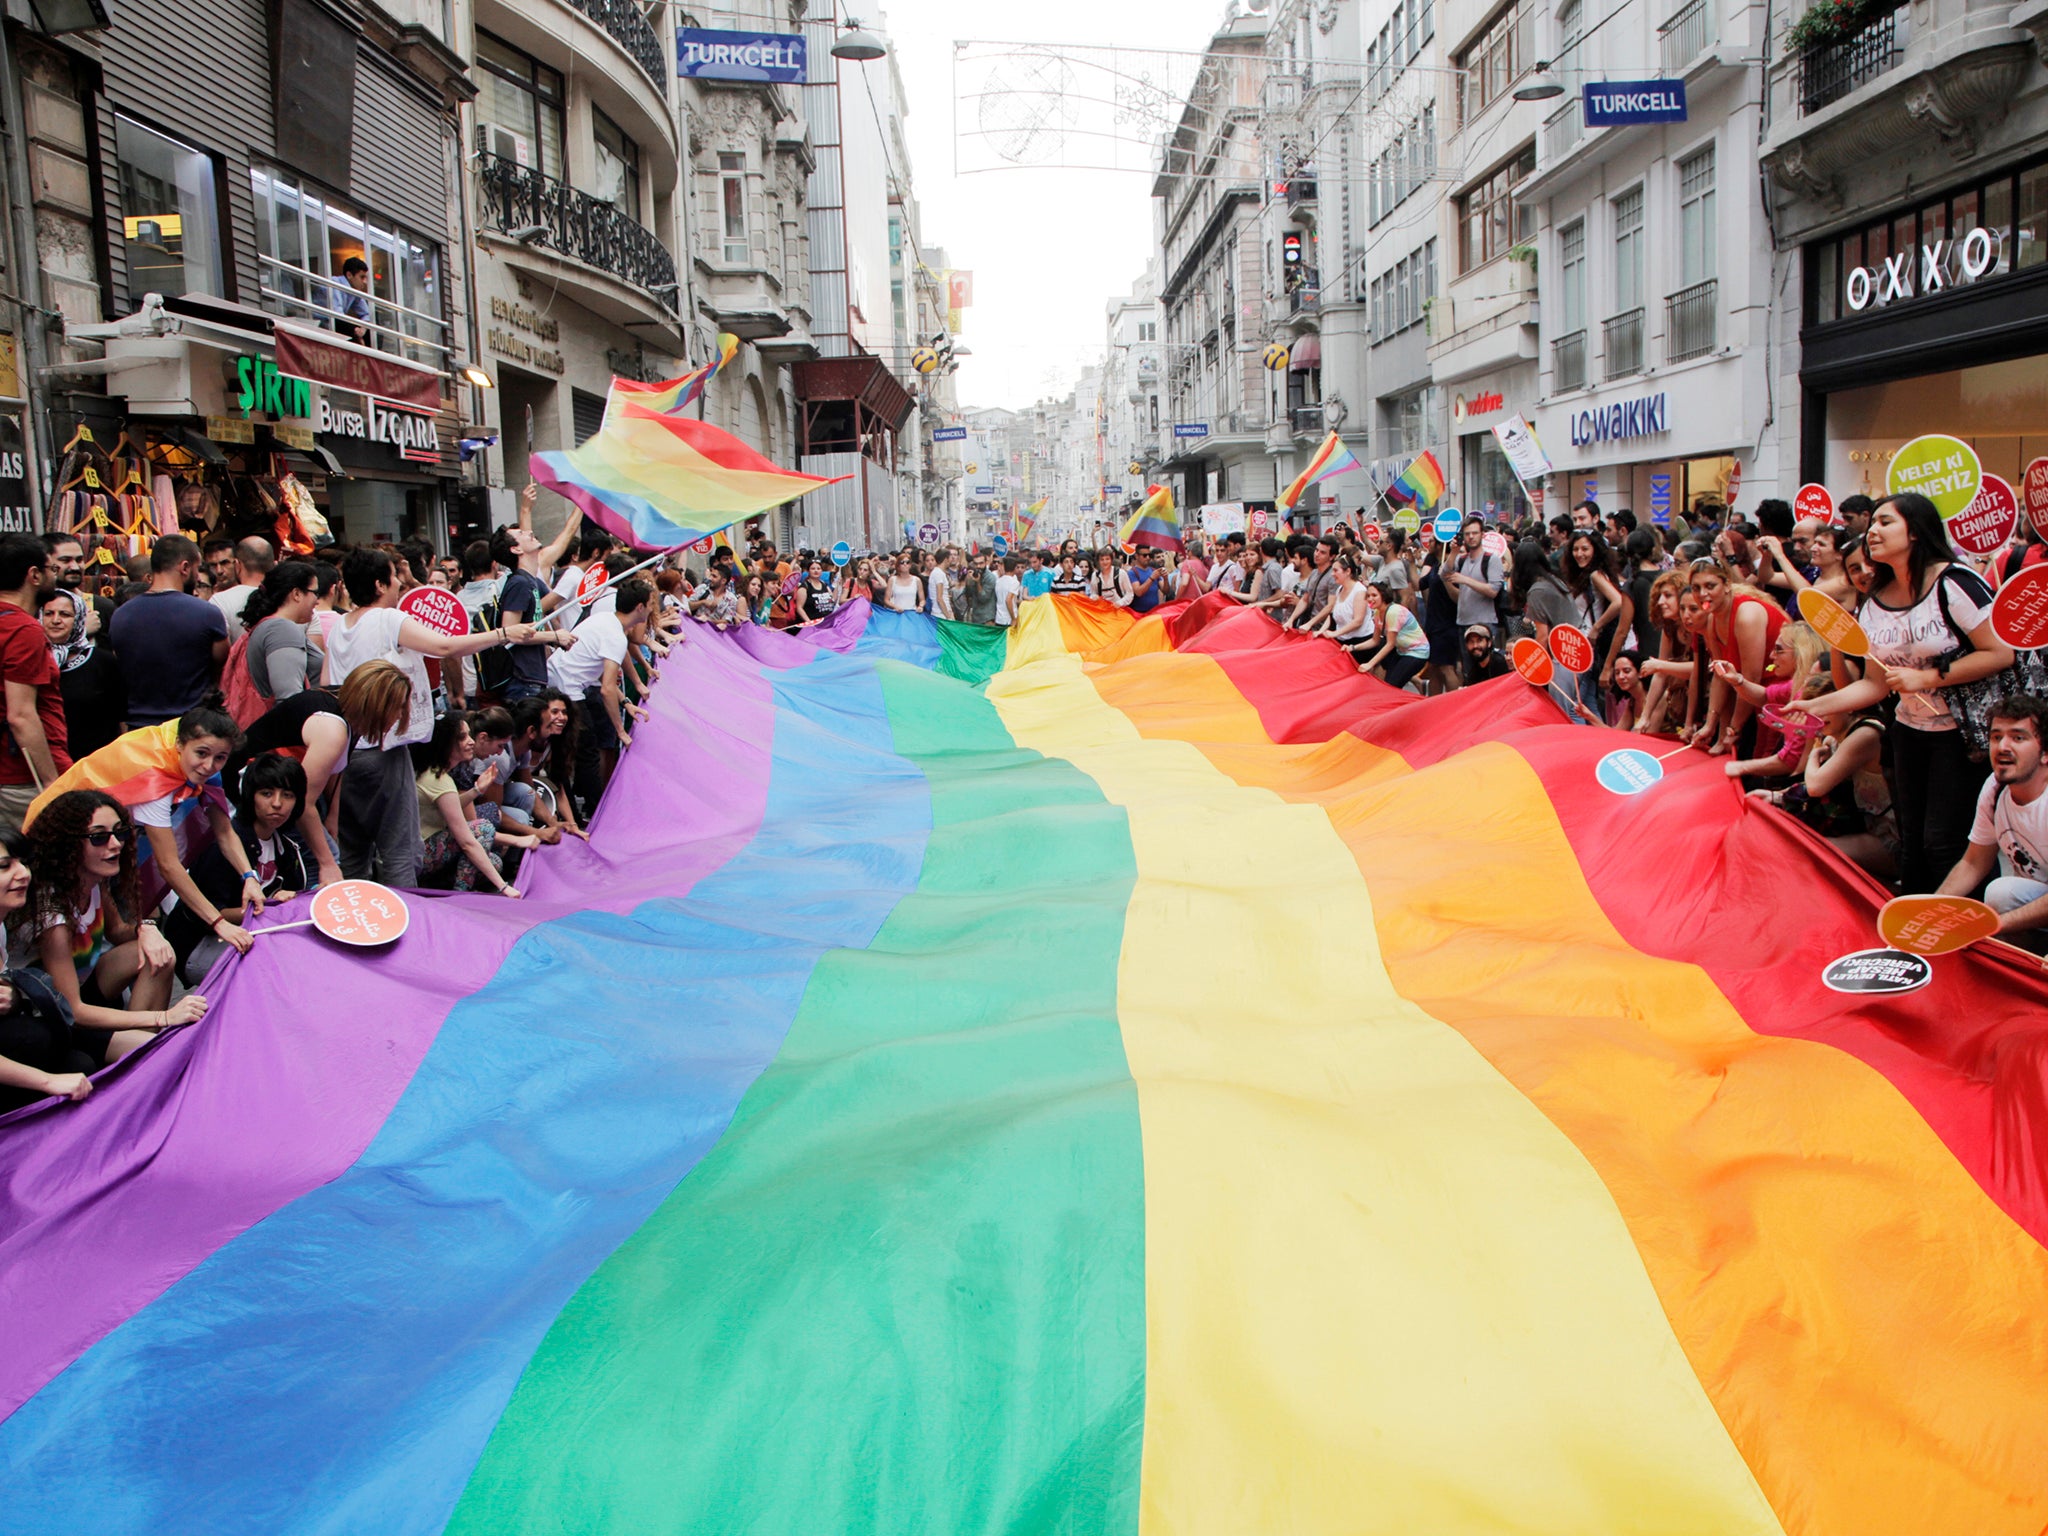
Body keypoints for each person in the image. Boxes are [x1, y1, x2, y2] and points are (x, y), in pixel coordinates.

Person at [1783, 493, 2015, 891]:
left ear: (1915, 531)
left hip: (1961, 738)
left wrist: (1926, 679)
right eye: (1872, 522)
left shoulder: (1955, 583)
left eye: (1885, 522)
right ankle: (1912, 922)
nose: (1873, 531)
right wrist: (1813, 704)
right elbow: (1874, 684)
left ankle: (1956, 928)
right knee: (1913, 841)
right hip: (1908, 730)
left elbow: (2001, 652)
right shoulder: (1873, 603)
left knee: (1944, 841)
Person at [324, 548, 552, 889]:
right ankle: (412, 925)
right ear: (378, 584)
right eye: (395, 577)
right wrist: (505, 634)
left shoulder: (339, 626)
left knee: (355, 849)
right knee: (400, 848)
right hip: (385, 749)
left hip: (346, 751)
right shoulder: (387, 619)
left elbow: (328, 686)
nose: (400, 584)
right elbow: (445, 647)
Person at [18, 790, 206, 1060]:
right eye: (99, 837)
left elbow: (118, 932)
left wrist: (148, 929)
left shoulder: (94, 881)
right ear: (67, 845)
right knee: (164, 1050)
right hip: (54, 1016)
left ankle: (137, 1046)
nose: (116, 844)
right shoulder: (53, 918)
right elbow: (74, 1010)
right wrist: (166, 1016)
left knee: (158, 954)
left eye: (120, 832)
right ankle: (137, 1050)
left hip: (86, 989)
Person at [159, 750, 318, 982]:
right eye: (266, 793)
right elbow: (211, 913)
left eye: (288, 795)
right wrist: (272, 907)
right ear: (250, 795)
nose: (277, 803)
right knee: (278, 973)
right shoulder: (224, 846)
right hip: (201, 942)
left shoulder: (287, 846)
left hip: (255, 936)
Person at [1935, 694, 2048, 950]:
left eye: (2018, 737)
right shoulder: (1995, 788)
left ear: (2045, 754)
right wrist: (1931, 911)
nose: (2002, 747)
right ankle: (2024, 968)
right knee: (2000, 893)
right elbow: (1974, 862)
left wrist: (1991, 925)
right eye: (1997, 737)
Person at [0, 827, 102, 1111]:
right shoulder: (52, 922)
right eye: (4, 866)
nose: (23, 874)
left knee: (80, 1064)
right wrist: (47, 1082)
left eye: (24, 862)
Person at [550, 577, 651, 810]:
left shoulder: (606, 621)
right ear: (640, 608)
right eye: (650, 604)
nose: (652, 609)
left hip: (563, 680)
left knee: (571, 750)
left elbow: (600, 678)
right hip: (566, 687)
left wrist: (626, 702)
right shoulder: (615, 636)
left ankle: (578, 808)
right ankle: (597, 810)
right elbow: (606, 688)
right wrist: (620, 732)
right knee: (587, 750)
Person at [109, 534, 229, 729]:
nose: (198, 577)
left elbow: (119, 664)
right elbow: (220, 663)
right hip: (189, 728)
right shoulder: (207, 614)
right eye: (197, 569)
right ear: (184, 567)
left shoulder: (120, 615)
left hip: (139, 729)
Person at [0, 533, 67, 836]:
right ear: (34, 575)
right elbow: (21, 715)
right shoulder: (22, 628)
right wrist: (53, 782)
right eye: (52, 569)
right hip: (21, 778)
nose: (57, 577)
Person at [414, 712, 521, 897]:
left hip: (427, 850)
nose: (471, 741)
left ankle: (442, 885)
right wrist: (504, 887)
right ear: (447, 743)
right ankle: (461, 893)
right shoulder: (440, 780)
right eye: (463, 737)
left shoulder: (434, 772)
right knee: (484, 827)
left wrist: (477, 790)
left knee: (495, 862)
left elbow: (450, 805)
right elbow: (466, 841)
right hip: (420, 854)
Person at [39, 589, 122, 761]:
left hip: (95, 763)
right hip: (46, 762)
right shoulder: (32, 660)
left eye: (65, 614)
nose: (56, 620)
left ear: (78, 619)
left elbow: (121, 715)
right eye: (48, 614)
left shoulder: (102, 662)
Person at [237, 560, 321, 709]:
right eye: (315, 593)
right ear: (296, 594)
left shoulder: (271, 627)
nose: (317, 601)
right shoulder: (282, 630)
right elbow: (289, 700)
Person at [1356, 581, 1432, 689]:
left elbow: (1390, 644)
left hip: (1417, 652)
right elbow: (1374, 641)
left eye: (1374, 595)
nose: (1370, 599)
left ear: (1384, 596)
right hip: (1402, 650)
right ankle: (1418, 687)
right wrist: (1352, 648)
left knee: (1391, 685)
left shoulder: (1393, 612)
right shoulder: (1378, 613)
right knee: (1389, 684)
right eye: (1368, 596)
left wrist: (1370, 664)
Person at [1443, 519, 1504, 636]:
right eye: (1467, 534)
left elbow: (1493, 591)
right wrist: (1453, 552)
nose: (1471, 537)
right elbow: (1444, 574)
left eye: (1475, 533)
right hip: (1463, 622)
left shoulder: (1492, 559)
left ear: (1482, 534)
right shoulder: (1461, 559)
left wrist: (1465, 580)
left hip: (1485, 623)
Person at [210, 536, 275, 631]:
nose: (219, 571)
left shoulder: (220, 601)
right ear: (274, 564)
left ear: (237, 564)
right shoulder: (291, 598)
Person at [332, 254, 373, 345]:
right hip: (322, 322)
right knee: (348, 327)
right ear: (349, 275)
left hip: (336, 321)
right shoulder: (334, 283)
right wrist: (355, 329)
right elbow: (337, 314)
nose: (365, 282)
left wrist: (363, 328)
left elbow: (366, 314)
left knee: (372, 331)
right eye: (362, 277)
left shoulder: (354, 290)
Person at [994, 555, 1023, 626]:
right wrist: (1013, 618)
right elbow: (1008, 600)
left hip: (999, 618)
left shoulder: (998, 581)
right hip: (1008, 619)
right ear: (1014, 568)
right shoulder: (1014, 582)